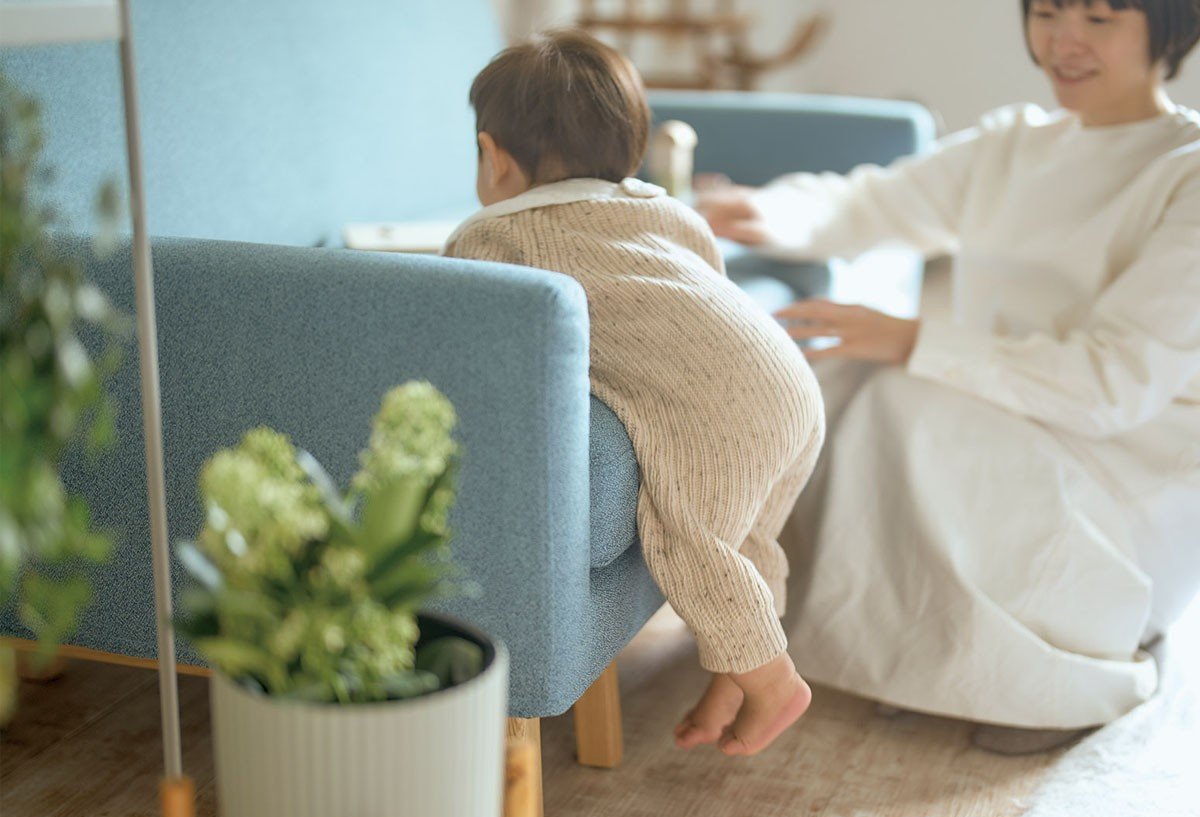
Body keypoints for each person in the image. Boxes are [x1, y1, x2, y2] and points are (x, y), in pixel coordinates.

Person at [697, 0, 1200, 753]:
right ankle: (925, 650)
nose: (1064, 40)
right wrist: (751, 209)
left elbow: (1113, 381)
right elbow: (869, 201)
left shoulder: (1184, 171)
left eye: (1099, 18)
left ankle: (1054, 668)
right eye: (1050, 11)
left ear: (1170, 30)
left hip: (1124, 461)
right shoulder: (1015, 144)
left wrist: (911, 338)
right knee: (830, 388)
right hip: (994, 407)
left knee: (899, 402)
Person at [443, 30, 825, 756]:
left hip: (714, 415)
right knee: (746, 539)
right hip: (788, 381)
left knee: (689, 540)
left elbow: (480, 335)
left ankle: (774, 683)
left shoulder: (491, 240)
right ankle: (733, 679)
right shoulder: (665, 209)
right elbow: (705, 277)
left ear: (494, 158)